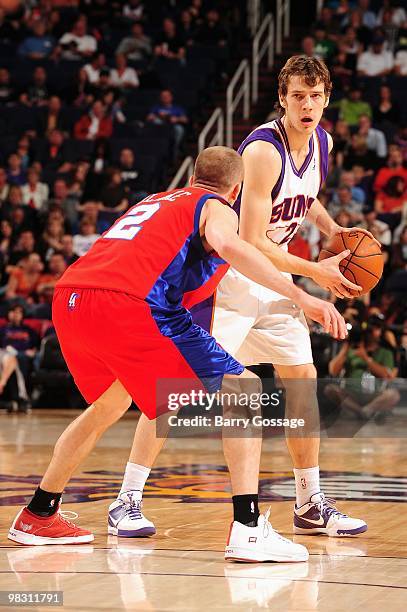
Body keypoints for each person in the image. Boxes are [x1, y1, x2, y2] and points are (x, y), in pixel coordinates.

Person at [8, 146, 350, 554]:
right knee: (245, 389)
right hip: (132, 304)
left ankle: (39, 513)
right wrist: (304, 296)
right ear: (236, 188)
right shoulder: (216, 206)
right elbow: (233, 246)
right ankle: (247, 527)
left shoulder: (155, 200)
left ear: (193, 174)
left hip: (72, 299)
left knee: (110, 404)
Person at [107, 57, 373, 560]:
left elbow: (303, 197)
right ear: (282, 98)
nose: (308, 106)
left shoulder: (323, 144)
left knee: (301, 378)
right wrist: (316, 274)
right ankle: (127, 499)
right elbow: (250, 240)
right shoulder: (262, 151)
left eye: (316, 97)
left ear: (327, 98)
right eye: (298, 96)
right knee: (179, 388)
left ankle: (308, 501)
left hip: (275, 280)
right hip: (232, 279)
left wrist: (332, 229)